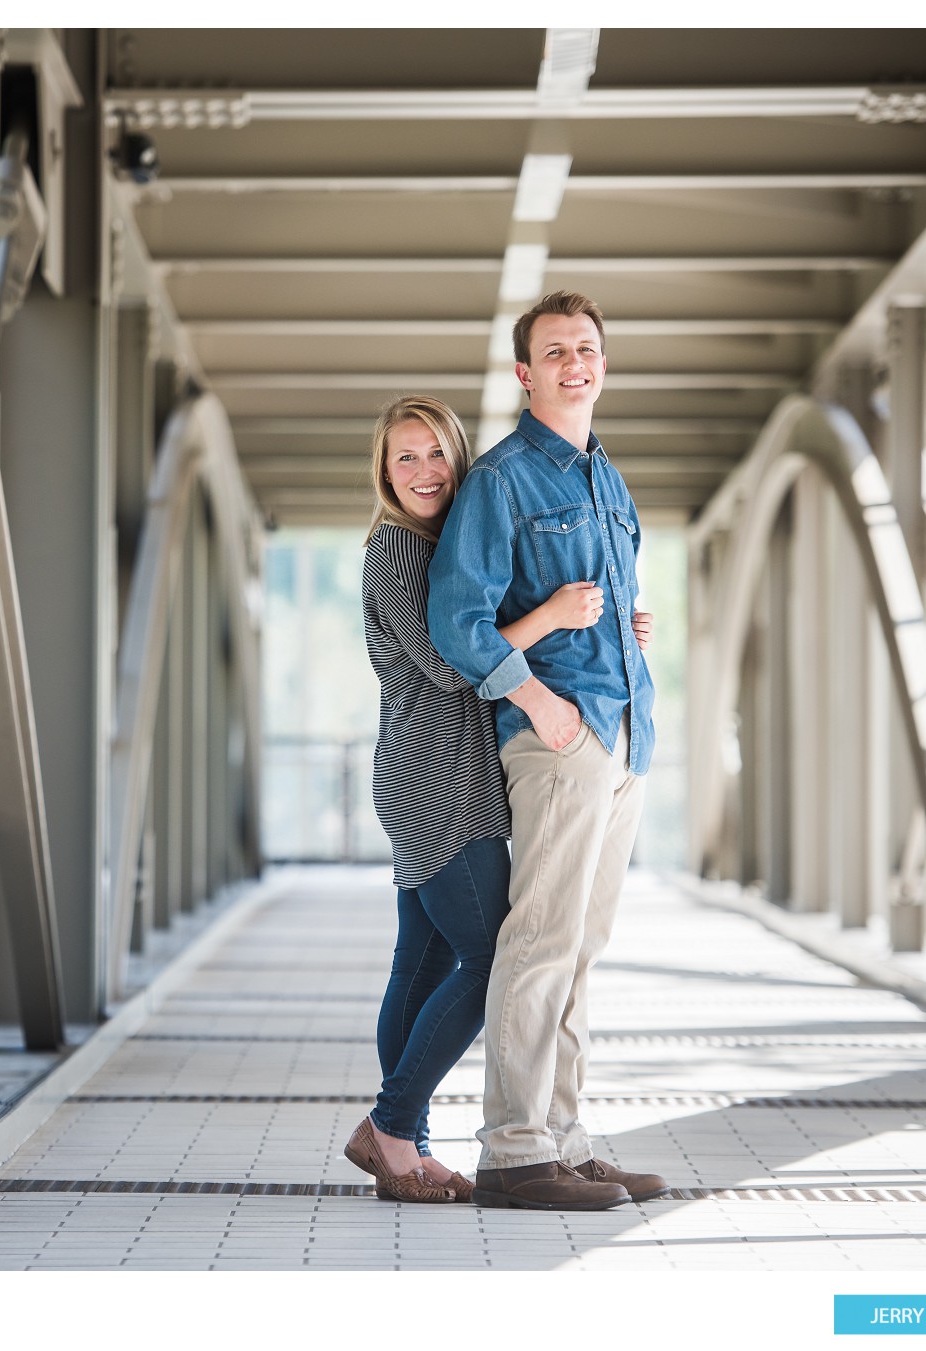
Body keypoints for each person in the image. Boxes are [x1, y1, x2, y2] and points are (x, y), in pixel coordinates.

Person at [426, 290, 665, 1211]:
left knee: (583, 946)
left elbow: (601, 605)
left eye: (588, 348)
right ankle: (515, 1149)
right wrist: (538, 701)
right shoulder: (503, 479)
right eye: (556, 351)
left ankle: (564, 1138)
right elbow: (458, 620)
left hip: (623, 732)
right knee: (540, 941)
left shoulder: (607, 476)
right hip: (560, 737)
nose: (576, 362)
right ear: (525, 374)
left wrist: (631, 633)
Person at [343, 394, 609, 1204]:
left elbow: (482, 633)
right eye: (404, 457)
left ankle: (407, 1149)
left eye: (434, 453)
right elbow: (454, 663)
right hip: (434, 778)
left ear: (457, 457)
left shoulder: (437, 544)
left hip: (445, 769)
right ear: (385, 473)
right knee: (494, 954)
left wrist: (603, 629)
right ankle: (390, 1126)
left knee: (420, 964)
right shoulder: (394, 549)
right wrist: (553, 614)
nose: (423, 470)